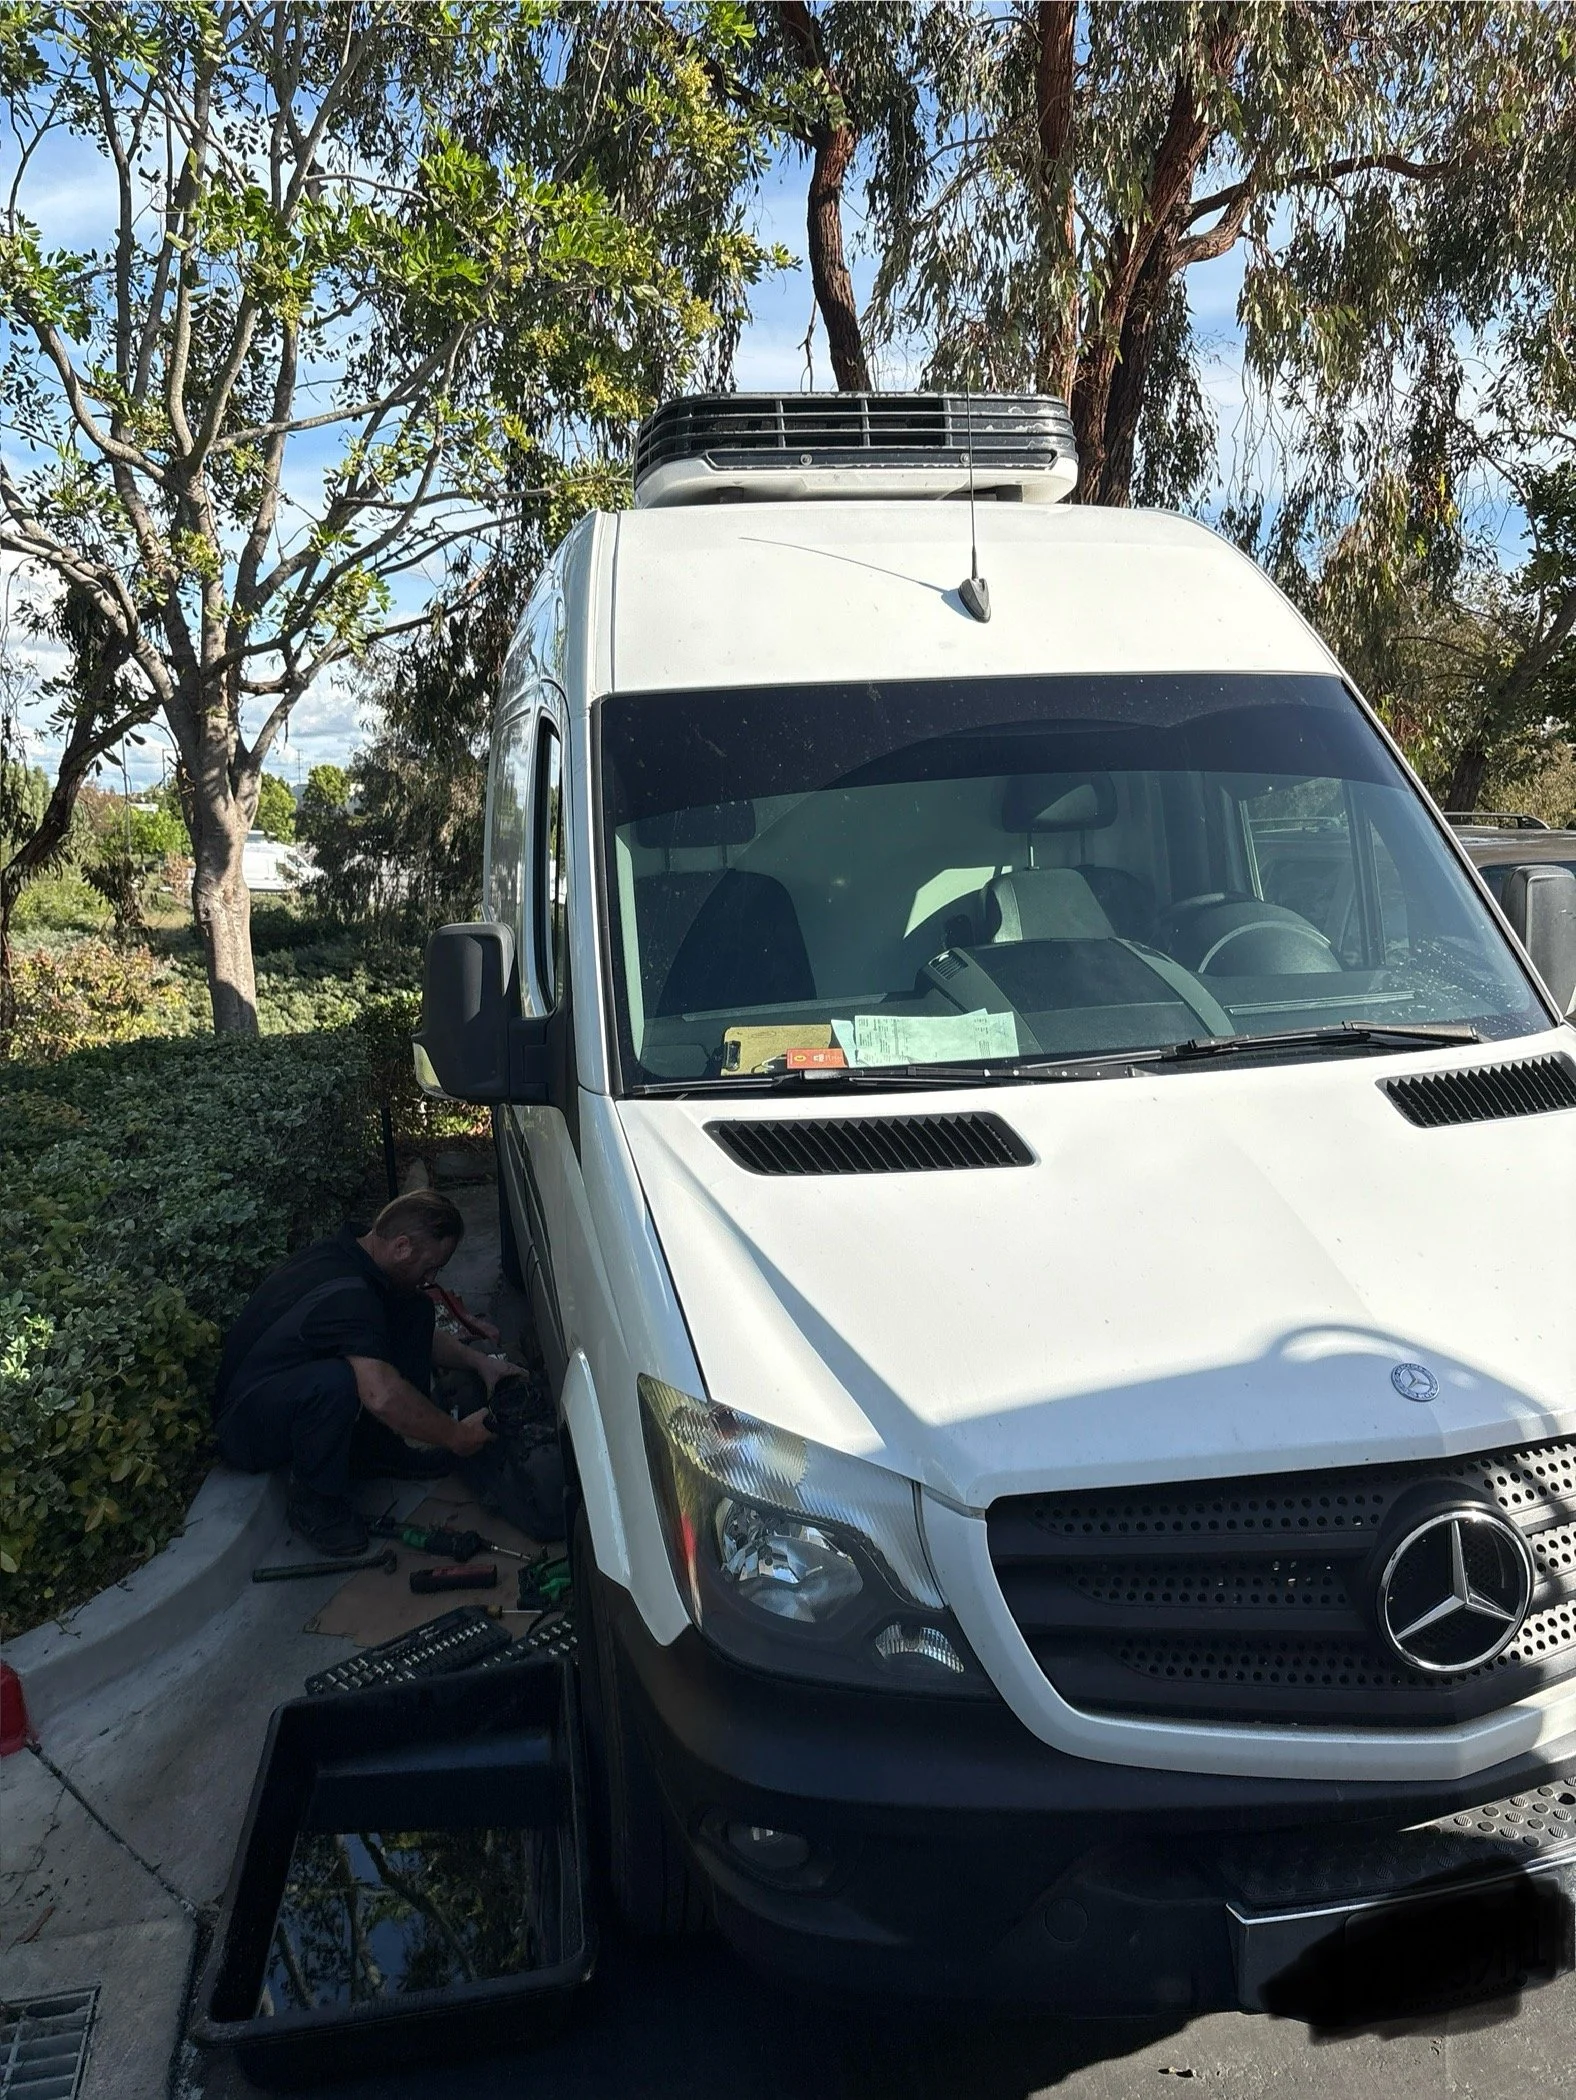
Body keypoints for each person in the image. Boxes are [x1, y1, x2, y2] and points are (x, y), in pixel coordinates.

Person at [213, 1190, 505, 1555]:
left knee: (414, 1310)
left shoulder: (354, 1253)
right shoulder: (350, 1296)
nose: (432, 1278)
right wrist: (458, 1435)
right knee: (337, 1382)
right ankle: (315, 1503)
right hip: (244, 1425)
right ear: (402, 1247)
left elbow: (415, 1334)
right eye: (431, 1267)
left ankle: (379, 1450)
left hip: (282, 1387)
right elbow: (380, 1395)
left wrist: (480, 1362)